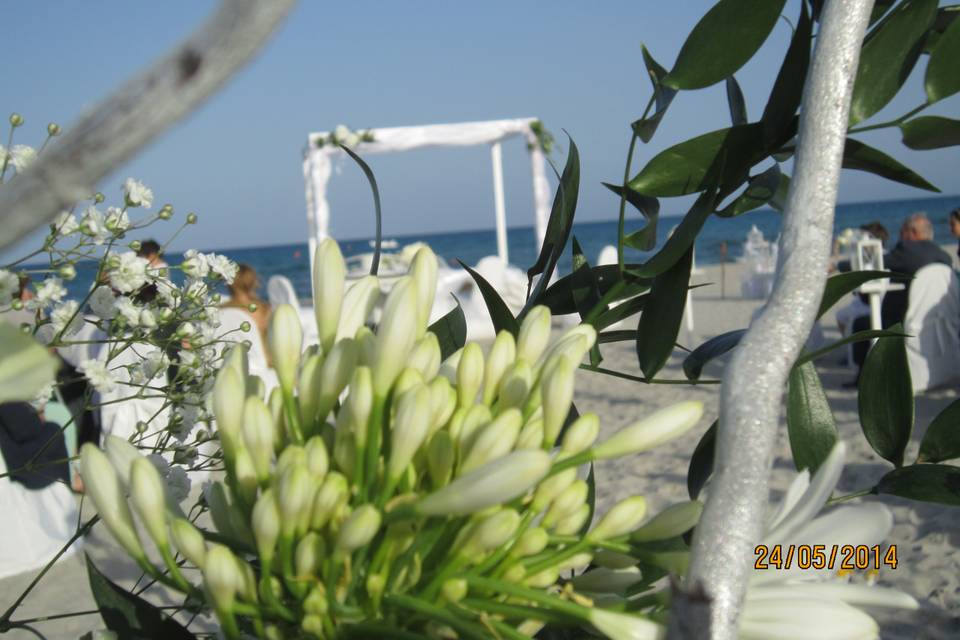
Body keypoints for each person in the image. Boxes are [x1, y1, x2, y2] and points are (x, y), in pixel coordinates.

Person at [850, 212, 952, 377]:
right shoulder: (943, 256)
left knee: (860, 325)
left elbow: (877, 262)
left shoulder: (906, 250)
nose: (900, 235)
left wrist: (843, 264)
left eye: (902, 231)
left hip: (901, 319)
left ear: (911, 232)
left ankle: (863, 377)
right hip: (934, 318)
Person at [221, 264, 272, 361]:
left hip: (232, 365)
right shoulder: (265, 310)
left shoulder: (221, 311)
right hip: (264, 365)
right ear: (253, 282)